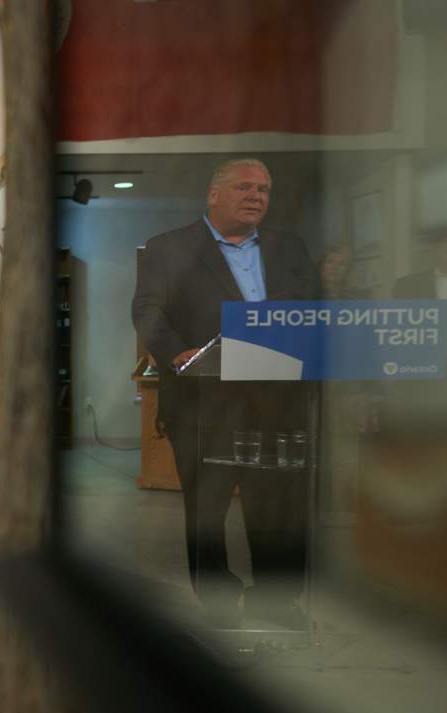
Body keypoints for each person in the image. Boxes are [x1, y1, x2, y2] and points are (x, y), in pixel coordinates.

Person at [132, 159, 318, 629]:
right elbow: (148, 310)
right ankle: (218, 600)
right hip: (202, 401)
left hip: (277, 399)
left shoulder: (289, 248)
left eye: (264, 189)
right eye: (244, 187)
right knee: (207, 505)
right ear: (214, 195)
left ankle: (277, 601)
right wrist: (177, 354)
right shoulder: (169, 247)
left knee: (277, 504)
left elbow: (315, 308)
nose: (257, 196)